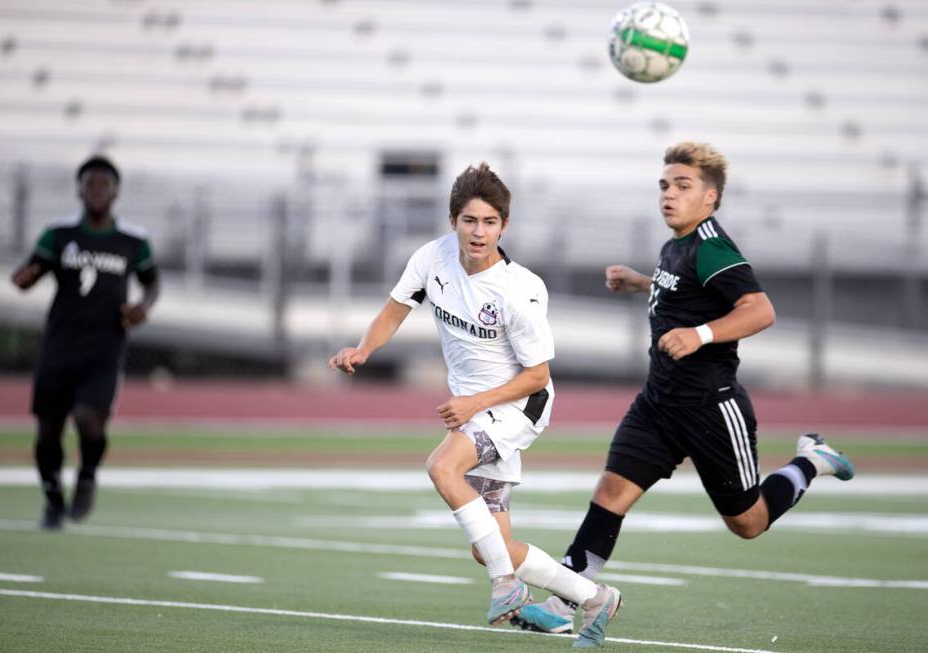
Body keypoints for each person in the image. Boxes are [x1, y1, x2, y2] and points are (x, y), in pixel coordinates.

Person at [512, 141, 855, 640]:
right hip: (658, 403)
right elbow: (686, 287)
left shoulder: (714, 245)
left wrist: (701, 335)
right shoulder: (677, 245)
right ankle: (567, 603)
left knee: (749, 522)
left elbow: (761, 310)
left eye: (682, 186)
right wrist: (641, 282)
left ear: (710, 198)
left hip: (711, 408)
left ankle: (811, 460)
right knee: (610, 492)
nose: (669, 195)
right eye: (665, 185)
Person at [329, 163, 621, 647]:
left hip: (518, 405)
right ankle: (594, 598)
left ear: (504, 226)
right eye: (469, 221)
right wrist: (363, 349)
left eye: (489, 222)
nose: (478, 231)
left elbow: (538, 376)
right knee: (491, 547)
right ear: (453, 222)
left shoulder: (519, 291)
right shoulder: (432, 258)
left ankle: (507, 588)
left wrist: (471, 405)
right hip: (477, 407)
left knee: (443, 467)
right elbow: (395, 308)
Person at [11, 155, 159, 530]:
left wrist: (143, 306)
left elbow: (152, 281)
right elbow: (29, 272)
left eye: (103, 185)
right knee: (48, 433)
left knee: (89, 421)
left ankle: (88, 474)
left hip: (104, 350)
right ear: (79, 189)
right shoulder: (59, 234)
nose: (96, 191)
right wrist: (24, 277)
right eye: (89, 184)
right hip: (59, 347)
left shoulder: (132, 240)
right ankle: (52, 499)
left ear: (115, 191)